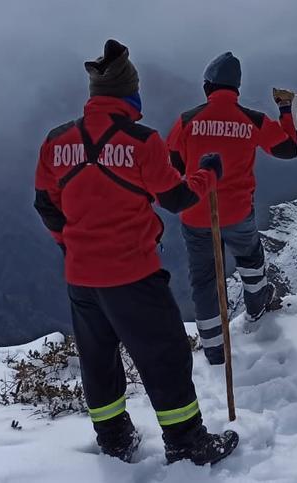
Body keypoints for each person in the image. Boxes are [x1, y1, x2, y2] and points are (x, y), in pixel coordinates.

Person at [33, 39, 238, 465]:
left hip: (81, 277)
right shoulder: (142, 142)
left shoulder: (56, 141)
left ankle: (114, 439)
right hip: (132, 272)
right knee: (165, 355)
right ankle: (187, 443)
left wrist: (71, 244)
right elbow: (176, 198)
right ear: (130, 94)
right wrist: (206, 175)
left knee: (98, 358)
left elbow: (46, 204)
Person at [166, 52, 297, 364]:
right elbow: (289, 150)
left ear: (208, 86)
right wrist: (286, 110)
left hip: (197, 213)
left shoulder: (188, 120)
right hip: (238, 211)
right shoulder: (253, 120)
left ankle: (213, 347)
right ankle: (257, 306)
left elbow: (174, 163)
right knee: (251, 259)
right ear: (236, 89)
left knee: (204, 279)